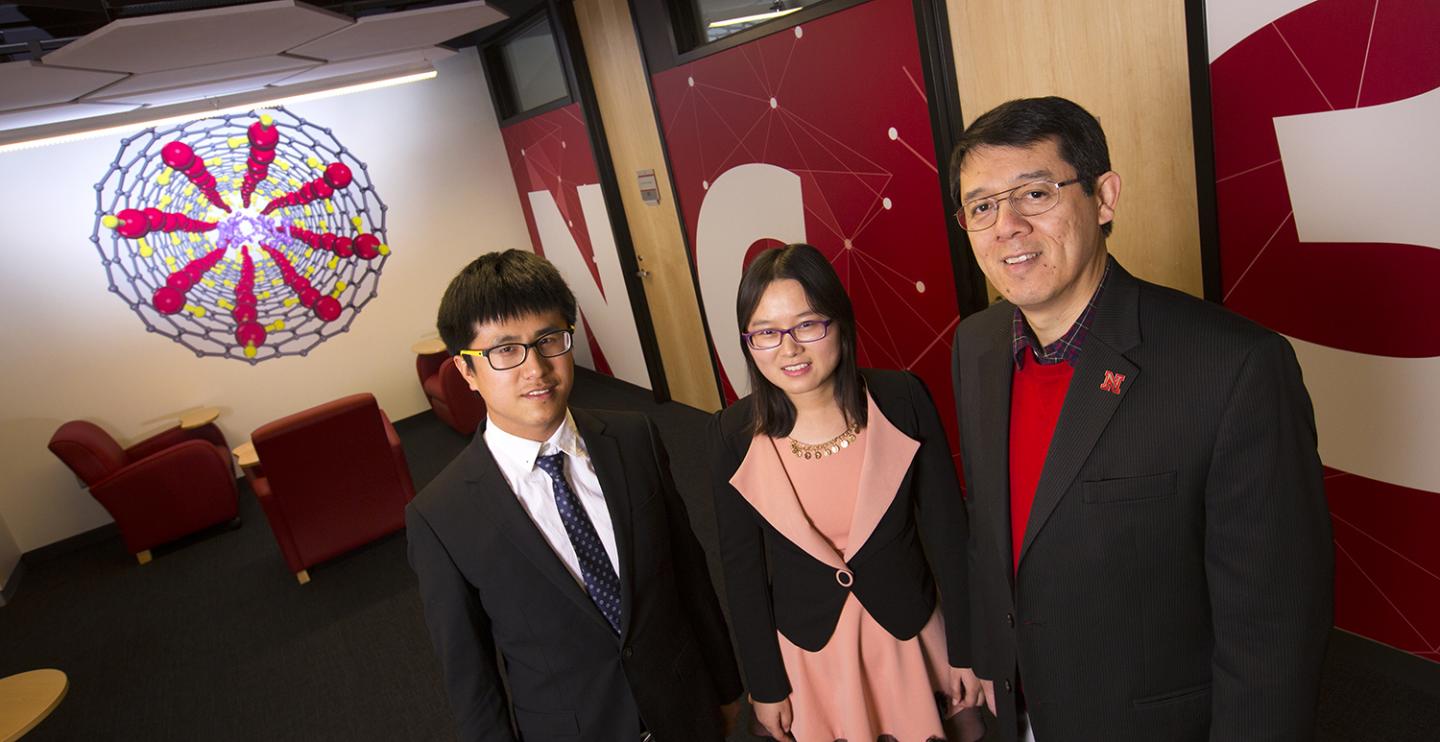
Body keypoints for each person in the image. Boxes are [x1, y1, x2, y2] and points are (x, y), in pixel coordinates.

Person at [947, 96, 1333, 741]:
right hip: (1020, 707)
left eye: (1034, 194)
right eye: (982, 206)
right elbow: (991, 528)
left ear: (1103, 196)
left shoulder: (1236, 367)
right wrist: (992, 658)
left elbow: (1273, 632)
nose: (1006, 225)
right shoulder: (977, 344)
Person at [406, 249, 742, 742]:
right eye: (504, 351)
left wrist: (726, 690)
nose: (535, 368)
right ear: (466, 370)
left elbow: (690, 576)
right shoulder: (440, 515)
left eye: (549, 339)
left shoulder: (635, 438)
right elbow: (472, 681)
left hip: (686, 710)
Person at [708, 243, 984, 742]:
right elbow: (742, 573)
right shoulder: (732, 433)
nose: (789, 349)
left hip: (910, 638)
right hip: (812, 656)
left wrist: (968, 649)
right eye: (766, 333)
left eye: (808, 325)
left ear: (841, 322)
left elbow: (949, 535)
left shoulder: (901, 399)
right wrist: (765, 686)